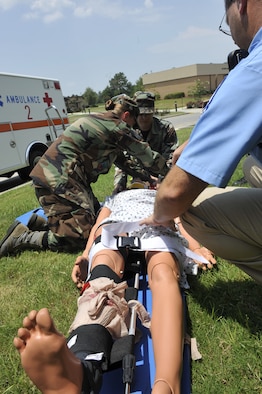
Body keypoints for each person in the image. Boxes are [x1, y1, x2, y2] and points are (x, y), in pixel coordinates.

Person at [13, 186, 214, 394]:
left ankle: (167, 385)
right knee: (102, 272)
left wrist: (195, 246)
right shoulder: (115, 197)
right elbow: (98, 225)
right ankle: (84, 368)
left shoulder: (162, 191)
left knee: (162, 271)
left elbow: (179, 219)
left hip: (157, 225)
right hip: (115, 228)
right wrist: (86, 255)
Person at [141, 0, 262, 285]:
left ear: (240, 5)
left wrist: (160, 216)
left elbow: (174, 193)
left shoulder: (253, 70)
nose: (230, 29)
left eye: (225, 19)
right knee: (252, 166)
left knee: (192, 209)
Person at [0, 94, 169, 257]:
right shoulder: (117, 127)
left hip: (62, 178)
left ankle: (39, 223)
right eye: (133, 122)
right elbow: (149, 158)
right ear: (126, 115)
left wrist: (148, 179)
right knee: (82, 236)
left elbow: (125, 163)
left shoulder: (102, 123)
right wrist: (171, 176)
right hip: (58, 181)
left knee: (97, 219)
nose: (133, 127)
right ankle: (23, 237)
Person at [113, 91, 178, 193]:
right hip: (139, 180)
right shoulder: (128, 131)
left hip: (163, 178)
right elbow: (122, 162)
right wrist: (119, 187)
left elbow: (171, 158)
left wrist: (162, 180)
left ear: (153, 112)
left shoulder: (165, 128)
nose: (144, 118)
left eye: (147, 113)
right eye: (141, 114)